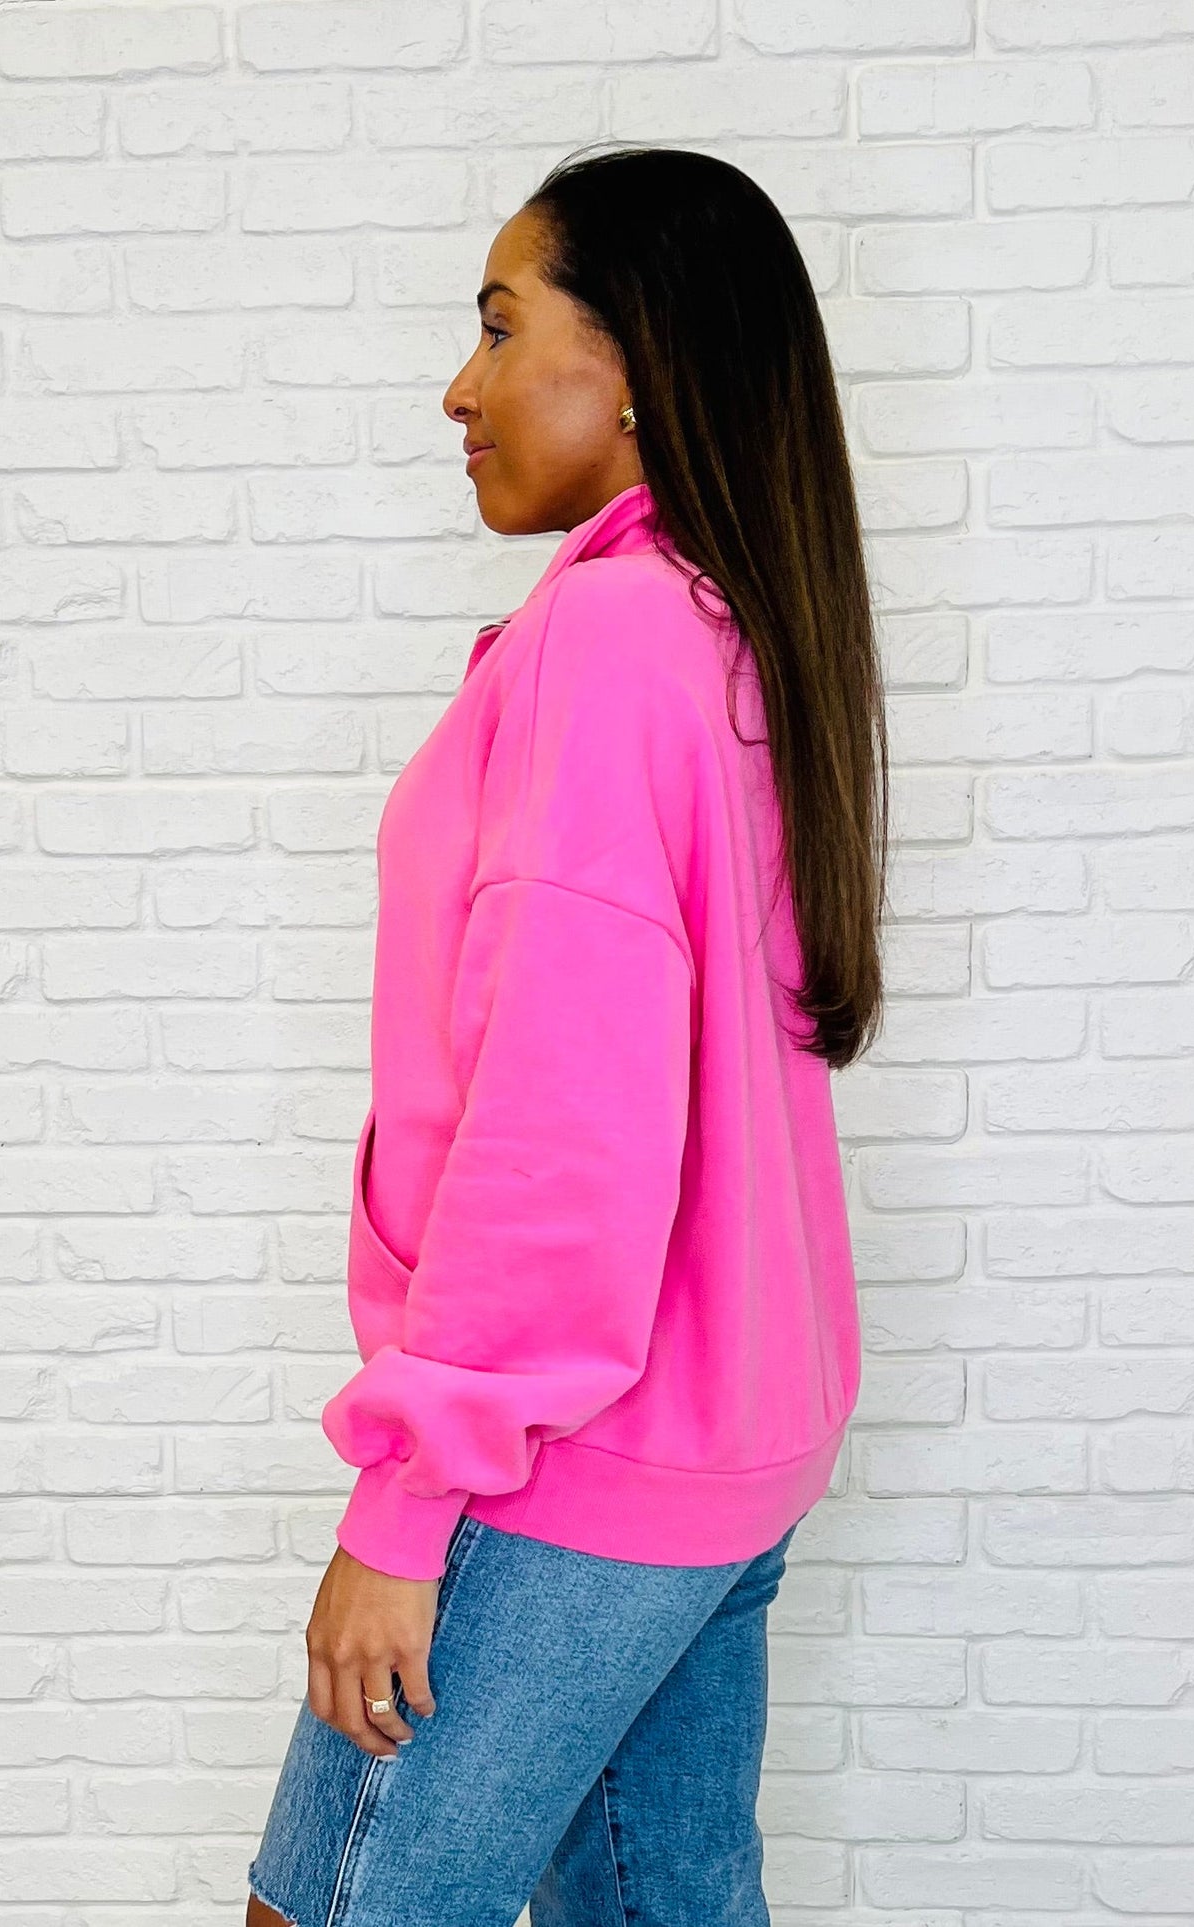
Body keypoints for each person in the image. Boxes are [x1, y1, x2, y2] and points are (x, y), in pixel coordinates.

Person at [247, 143, 888, 1927]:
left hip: (564, 1464)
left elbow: (559, 1123)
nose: (459, 390)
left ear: (635, 369)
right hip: (723, 1442)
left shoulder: (607, 640)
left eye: (499, 326)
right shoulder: (730, 626)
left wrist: (406, 1505)